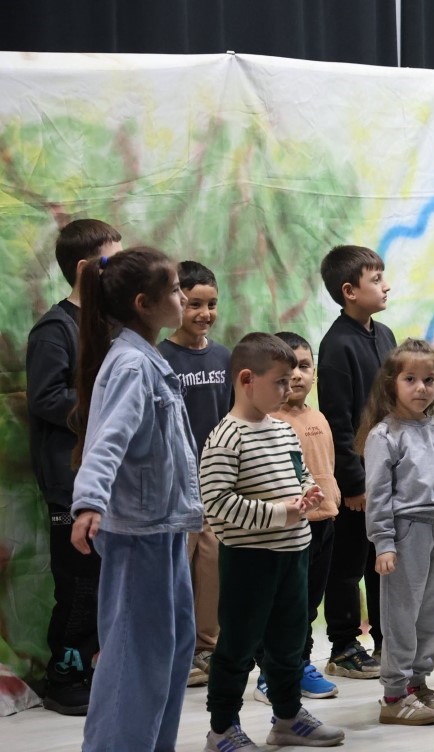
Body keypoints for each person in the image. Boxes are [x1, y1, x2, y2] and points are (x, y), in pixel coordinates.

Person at [69, 247, 201, 751]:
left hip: (162, 528)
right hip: (137, 534)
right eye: (173, 290)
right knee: (134, 657)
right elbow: (108, 440)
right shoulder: (129, 364)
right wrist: (89, 502)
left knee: (171, 650)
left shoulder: (148, 359)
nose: (183, 297)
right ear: (145, 304)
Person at [200, 333, 344, 751]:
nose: (290, 386)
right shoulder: (225, 438)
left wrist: (307, 494)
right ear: (248, 379)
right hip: (249, 560)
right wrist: (282, 512)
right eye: (280, 381)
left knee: (289, 641)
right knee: (238, 647)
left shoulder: (282, 430)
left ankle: (287, 718)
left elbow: (299, 475)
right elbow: (218, 503)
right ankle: (222, 729)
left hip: (293, 554)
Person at [26, 219, 121, 715]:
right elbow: (44, 399)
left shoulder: (114, 325)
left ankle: (96, 666)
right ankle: (63, 674)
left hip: (111, 485)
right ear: (86, 269)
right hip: (70, 484)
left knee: (107, 581)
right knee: (80, 582)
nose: (119, 271)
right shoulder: (54, 329)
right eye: (111, 261)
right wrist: (109, 403)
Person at [359, 338, 434, 725]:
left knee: (431, 615)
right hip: (406, 533)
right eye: (411, 379)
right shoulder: (385, 435)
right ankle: (394, 695)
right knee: (401, 617)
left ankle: (418, 684)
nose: (421, 388)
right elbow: (377, 497)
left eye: (429, 380)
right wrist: (384, 544)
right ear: (392, 382)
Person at [318, 245, 396, 680]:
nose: (386, 285)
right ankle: (344, 645)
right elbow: (337, 422)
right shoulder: (336, 346)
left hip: (387, 474)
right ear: (350, 291)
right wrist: (353, 484)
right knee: (347, 566)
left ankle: (386, 638)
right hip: (358, 484)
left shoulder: (383, 335)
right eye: (376, 279)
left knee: (382, 560)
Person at [157, 260, 233, 688]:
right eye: (194, 304)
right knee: (176, 568)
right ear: (177, 304)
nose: (205, 313)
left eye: (212, 304)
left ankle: (207, 647)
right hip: (174, 486)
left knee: (212, 567)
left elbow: (226, 419)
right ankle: (174, 650)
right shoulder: (160, 358)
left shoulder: (224, 356)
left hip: (215, 485)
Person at [266, 331, 341, 700]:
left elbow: (327, 467)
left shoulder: (320, 418)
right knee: (285, 603)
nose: (297, 374)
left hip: (324, 522)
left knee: (309, 603)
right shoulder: (268, 420)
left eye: (304, 365)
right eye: (288, 366)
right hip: (289, 527)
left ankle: (301, 664)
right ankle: (272, 671)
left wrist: (335, 502)